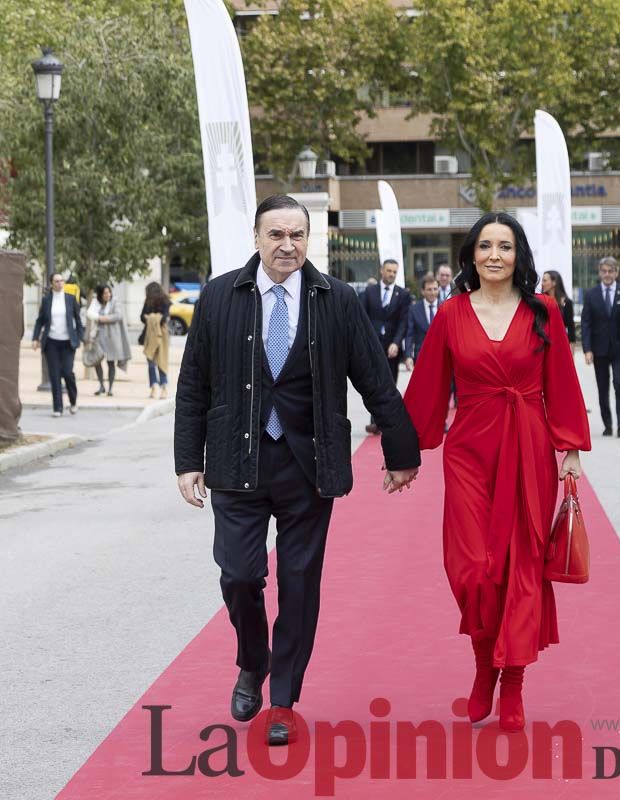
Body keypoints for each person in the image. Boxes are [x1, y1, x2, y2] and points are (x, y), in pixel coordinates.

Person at [174, 195, 420, 747]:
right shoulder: (219, 296)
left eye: (298, 235)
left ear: (310, 239)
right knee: (239, 576)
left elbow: (374, 377)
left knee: (300, 584)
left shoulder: (335, 299)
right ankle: (252, 660)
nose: (288, 245)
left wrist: (401, 450)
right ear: (257, 238)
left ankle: (282, 699)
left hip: (310, 465)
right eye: (277, 234)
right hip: (238, 462)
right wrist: (189, 460)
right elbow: (193, 384)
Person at [404, 212, 590, 733]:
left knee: (519, 567)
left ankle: (511, 682)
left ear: (518, 256)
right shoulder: (451, 313)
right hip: (468, 452)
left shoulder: (543, 311)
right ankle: (485, 661)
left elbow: (561, 381)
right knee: (471, 568)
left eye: (504, 247)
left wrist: (571, 446)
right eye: (484, 245)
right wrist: (407, 453)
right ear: (470, 255)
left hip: (528, 450)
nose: (493, 255)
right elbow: (428, 386)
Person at [580, 256, 620, 437]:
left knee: (619, 384)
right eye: (604, 271)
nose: (607, 275)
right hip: (599, 348)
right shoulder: (591, 294)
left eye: (611, 271)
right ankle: (607, 424)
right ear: (599, 273)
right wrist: (587, 349)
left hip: (619, 349)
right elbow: (586, 323)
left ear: (616, 272)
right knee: (603, 387)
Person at [359, 258, 411, 434]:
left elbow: (403, 322)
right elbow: (362, 318)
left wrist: (396, 342)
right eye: (389, 271)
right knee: (373, 385)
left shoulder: (402, 295)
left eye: (394, 272)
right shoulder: (369, 292)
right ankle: (375, 420)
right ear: (382, 271)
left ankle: (386, 420)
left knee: (389, 385)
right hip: (372, 347)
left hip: (392, 349)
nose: (391, 274)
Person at [32, 273, 83, 417]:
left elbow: (78, 321)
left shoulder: (71, 299)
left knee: (67, 372)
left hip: (68, 342)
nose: (60, 283)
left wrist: (79, 338)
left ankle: (73, 401)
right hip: (52, 342)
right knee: (54, 376)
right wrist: (35, 338)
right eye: (56, 281)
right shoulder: (47, 300)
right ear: (51, 284)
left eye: (62, 281)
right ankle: (58, 408)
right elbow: (40, 321)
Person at [85, 284, 131, 396]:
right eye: (105, 293)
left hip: (112, 337)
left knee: (111, 362)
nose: (107, 295)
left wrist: (104, 318)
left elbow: (118, 316)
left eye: (109, 292)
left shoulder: (115, 302)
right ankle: (101, 386)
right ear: (101, 294)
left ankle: (110, 388)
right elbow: (90, 313)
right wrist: (99, 318)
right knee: (97, 360)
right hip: (99, 336)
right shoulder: (97, 303)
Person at [140, 282, 171, 399]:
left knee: (161, 360)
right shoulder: (147, 302)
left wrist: (151, 317)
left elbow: (165, 318)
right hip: (149, 335)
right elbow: (142, 316)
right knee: (151, 362)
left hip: (161, 335)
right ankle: (154, 387)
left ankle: (163, 388)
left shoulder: (165, 301)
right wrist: (154, 317)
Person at [404, 274, 440, 368]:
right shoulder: (414, 309)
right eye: (429, 289)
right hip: (421, 359)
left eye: (435, 289)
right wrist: (408, 356)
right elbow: (409, 334)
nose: (432, 292)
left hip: (442, 358)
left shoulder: (446, 307)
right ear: (423, 291)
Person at [540, 270, 575, 345]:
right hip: (543, 343)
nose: (542, 283)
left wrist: (571, 351)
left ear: (554, 283)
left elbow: (571, 328)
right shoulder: (540, 301)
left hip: (560, 343)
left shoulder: (566, 302)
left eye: (545, 281)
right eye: (542, 281)